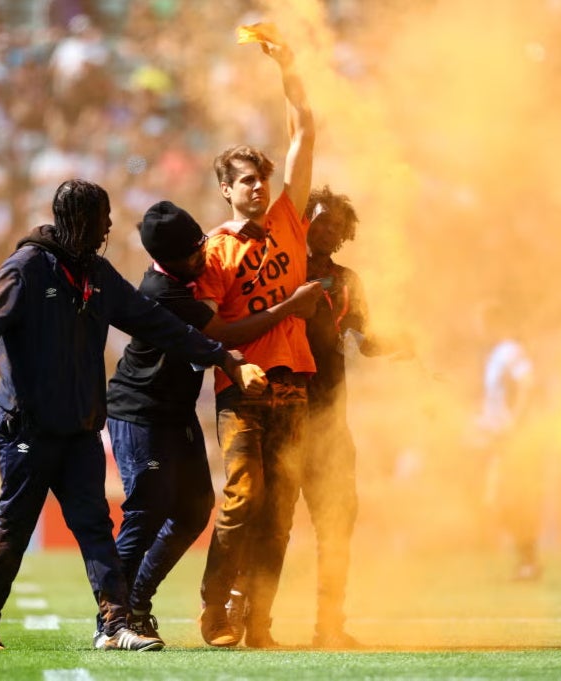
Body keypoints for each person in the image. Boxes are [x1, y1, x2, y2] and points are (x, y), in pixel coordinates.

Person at [0, 179, 264, 653]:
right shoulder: (27, 269)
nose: (109, 227)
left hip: (80, 427)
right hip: (28, 427)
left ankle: (114, 624)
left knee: (95, 527)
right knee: (15, 526)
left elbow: (157, 323)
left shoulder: (96, 274)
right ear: (76, 222)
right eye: (101, 219)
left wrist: (222, 356)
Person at [104, 200, 322, 646]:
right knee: (148, 511)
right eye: (193, 254)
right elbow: (219, 336)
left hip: (175, 412)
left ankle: (138, 604)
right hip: (139, 411)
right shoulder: (164, 293)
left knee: (194, 511)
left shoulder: (184, 274)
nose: (203, 257)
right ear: (168, 261)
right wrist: (289, 307)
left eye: (202, 245)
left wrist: (232, 229)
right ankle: (113, 621)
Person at [195, 27, 316, 648]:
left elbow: (304, 134)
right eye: (246, 181)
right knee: (242, 501)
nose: (259, 187)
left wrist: (288, 72)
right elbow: (214, 330)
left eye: (262, 179)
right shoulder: (214, 250)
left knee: (278, 516)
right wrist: (289, 306)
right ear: (225, 187)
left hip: (294, 384)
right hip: (242, 386)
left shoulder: (288, 220)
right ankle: (216, 608)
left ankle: (260, 623)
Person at [298, 185, 412, 648]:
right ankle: (249, 620)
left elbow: (361, 339)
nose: (328, 231)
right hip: (279, 413)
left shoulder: (348, 281)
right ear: (303, 220)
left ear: (346, 236)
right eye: (320, 220)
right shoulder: (280, 268)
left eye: (337, 226)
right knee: (269, 524)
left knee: (339, 519)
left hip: (330, 420)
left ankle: (330, 623)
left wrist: (400, 343)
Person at [476, 302, 541, 581]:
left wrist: (515, 424)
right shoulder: (495, 356)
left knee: (510, 499)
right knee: (498, 500)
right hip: (499, 440)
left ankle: (528, 561)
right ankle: (526, 559)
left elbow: (528, 383)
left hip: (513, 441)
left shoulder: (509, 351)